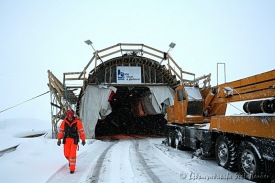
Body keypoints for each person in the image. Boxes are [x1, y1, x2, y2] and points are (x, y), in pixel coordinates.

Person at [57, 110, 86, 174]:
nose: (70, 117)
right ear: (67, 116)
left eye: (71, 116)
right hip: (66, 140)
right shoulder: (64, 122)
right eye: (68, 116)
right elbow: (61, 131)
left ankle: (72, 169)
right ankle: (70, 162)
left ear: (73, 116)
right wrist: (59, 139)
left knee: (72, 155)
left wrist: (83, 139)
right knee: (66, 154)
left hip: (74, 140)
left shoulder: (77, 122)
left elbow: (81, 131)